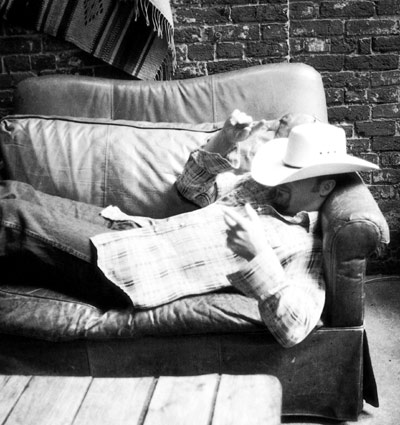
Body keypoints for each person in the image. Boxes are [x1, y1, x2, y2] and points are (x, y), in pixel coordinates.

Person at [0, 111, 379, 347]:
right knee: (16, 192)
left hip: (128, 268)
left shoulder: (305, 247)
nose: (279, 180)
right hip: (131, 230)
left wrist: (258, 255)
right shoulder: (261, 187)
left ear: (324, 187)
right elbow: (190, 188)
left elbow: (295, 328)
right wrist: (225, 140)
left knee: (13, 217)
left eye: (294, 176)